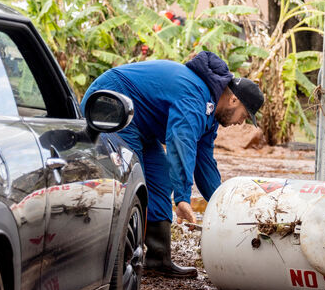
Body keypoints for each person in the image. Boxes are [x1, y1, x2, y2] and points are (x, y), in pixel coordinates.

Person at [82, 52, 264, 278]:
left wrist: (224, 204)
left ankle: (158, 258)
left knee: (160, 177)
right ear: (234, 100)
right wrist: (182, 199)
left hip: (141, 126)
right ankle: (118, 259)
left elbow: (204, 161)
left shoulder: (209, 113)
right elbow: (181, 143)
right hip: (112, 102)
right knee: (130, 177)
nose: (240, 122)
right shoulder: (195, 96)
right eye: (244, 115)